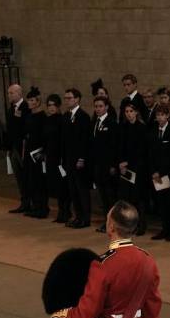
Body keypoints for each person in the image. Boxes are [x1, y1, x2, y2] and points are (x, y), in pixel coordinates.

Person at [61, 88, 94, 229]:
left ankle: (85, 218)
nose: (67, 100)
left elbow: (85, 140)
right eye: (66, 98)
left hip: (79, 160)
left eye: (70, 98)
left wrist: (82, 158)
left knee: (82, 190)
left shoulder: (83, 117)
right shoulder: (66, 116)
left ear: (77, 99)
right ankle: (78, 216)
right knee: (73, 189)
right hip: (69, 158)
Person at [148, 104, 170, 240]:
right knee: (161, 203)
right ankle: (164, 229)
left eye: (162, 115)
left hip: (167, 174)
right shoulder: (153, 132)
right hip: (156, 175)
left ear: (168, 116)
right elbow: (151, 154)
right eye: (157, 115)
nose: (159, 117)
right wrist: (154, 171)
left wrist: (162, 172)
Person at [90, 94, 119, 228]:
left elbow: (114, 146)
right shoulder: (95, 122)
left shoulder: (112, 123)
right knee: (102, 195)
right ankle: (107, 221)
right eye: (96, 106)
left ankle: (113, 222)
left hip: (108, 166)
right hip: (97, 164)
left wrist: (113, 165)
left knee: (110, 195)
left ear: (106, 107)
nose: (98, 109)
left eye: (100, 106)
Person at [22, 88, 49, 218]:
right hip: (29, 151)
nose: (30, 103)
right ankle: (35, 206)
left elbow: (44, 137)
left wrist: (42, 153)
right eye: (29, 100)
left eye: (32, 100)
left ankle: (43, 208)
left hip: (38, 153)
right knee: (31, 180)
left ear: (38, 102)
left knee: (40, 181)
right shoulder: (29, 116)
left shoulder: (42, 117)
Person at [5, 84, 30, 214]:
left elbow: (24, 128)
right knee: (19, 176)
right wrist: (8, 148)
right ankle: (24, 201)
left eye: (11, 93)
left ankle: (30, 201)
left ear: (19, 94)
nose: (9, 95)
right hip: (14, 148)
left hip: (23, 148)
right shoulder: (10, 109)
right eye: (8, 93)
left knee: (26, 175)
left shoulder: (25, 107)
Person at [41, 94, 67, 222]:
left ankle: (65, 212)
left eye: (53, 105)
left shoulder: (61, 120)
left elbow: (63, 140)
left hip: (59, 157)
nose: (51, 108)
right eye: (49, 105)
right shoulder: (47, 120)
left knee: (62, 186)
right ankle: (61, 212)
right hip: (50, 156)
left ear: (58, 106)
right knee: (55, 185)